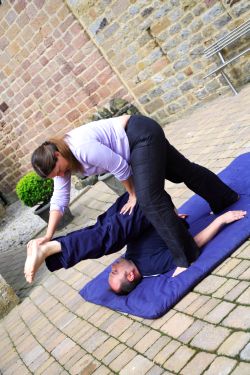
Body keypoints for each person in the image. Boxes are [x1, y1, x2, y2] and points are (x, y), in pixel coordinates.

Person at [31, 115, 239, 276]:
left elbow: (119, 166)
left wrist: (133, 194)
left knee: (148, 199)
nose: (59, 176)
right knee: (182, 171)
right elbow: (59, 200)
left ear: (57, 155)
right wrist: (48, 235)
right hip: (136, 139)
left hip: (140, 136)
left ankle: (187, 255)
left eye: (56, 171)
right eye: (54, 176)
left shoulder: (81, 148)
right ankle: (225, 198)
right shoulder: (61, 163)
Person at [24, 193, 246, 294]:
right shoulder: (153, 265)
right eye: (114, 273)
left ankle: (52, 249)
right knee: (106, 238)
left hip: (135, 205)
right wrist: (221, 220)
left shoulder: (131, 257)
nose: (112, 268)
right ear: (130, 276)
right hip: (148, 204)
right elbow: (191, 246)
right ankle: (50, 249)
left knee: (103, 233)